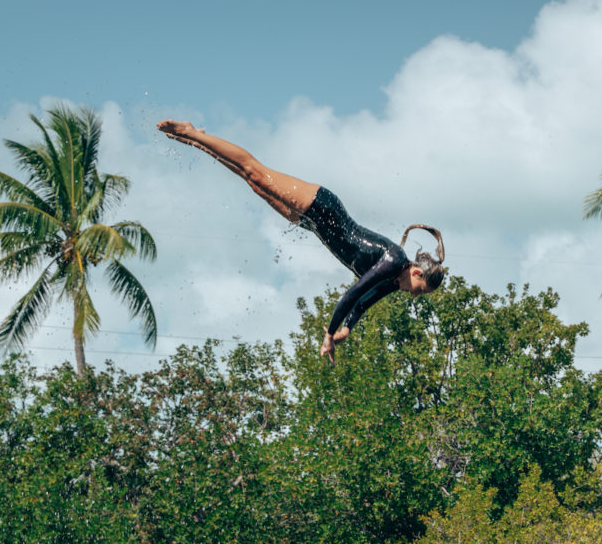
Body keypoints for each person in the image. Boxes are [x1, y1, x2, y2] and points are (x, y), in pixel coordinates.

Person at [158, 121, 445, 364]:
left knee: (252, 183)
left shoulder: (393, 281)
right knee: (254, 170)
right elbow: (351, 295)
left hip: (313, 225)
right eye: (419, 290)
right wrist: (330, 333)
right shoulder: (393, 260)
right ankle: (192, 132)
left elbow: (361, 305)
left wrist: (347, 329)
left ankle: (198, 143)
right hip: (323, 208)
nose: (413, 295)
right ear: (417, 272)